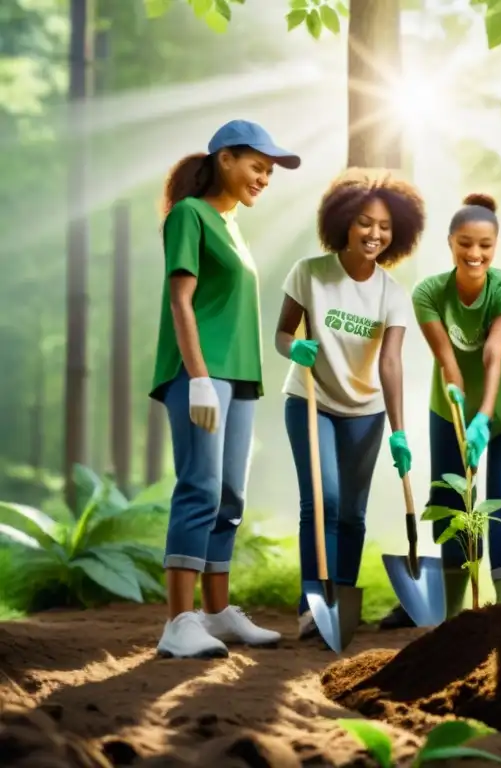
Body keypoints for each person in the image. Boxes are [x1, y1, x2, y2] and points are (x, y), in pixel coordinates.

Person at [149, 119, 301, 658]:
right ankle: (178, 622)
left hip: (237, 376)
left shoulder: (233, 224)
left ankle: (215, 615)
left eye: (270, 172)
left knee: (229, 497)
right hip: (201, 373)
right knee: (200, 488)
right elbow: (180, 302)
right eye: (258, 166)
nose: (264, 178)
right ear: (225, 160)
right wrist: (197, 380)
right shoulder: (189, 216)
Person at [378, 193, 501, 629]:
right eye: (465, 243)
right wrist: (461, 410)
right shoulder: (430, 292)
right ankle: (454, 614)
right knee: (452, 499)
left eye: (485, 245)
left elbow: (494, 352)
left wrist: (483, 418)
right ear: (450, 242)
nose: (475, 254)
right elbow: (448, 360)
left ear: (496, 245)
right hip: (449, 405)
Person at [275, 169, 424, 640]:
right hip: (311, 400)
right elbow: (283, 332)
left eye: (384, 227)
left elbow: (392, 363)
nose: (374, 234)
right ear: (343, 222)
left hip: (366, 413)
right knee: (323, 500)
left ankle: (340, 602)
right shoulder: (310, 273)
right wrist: (292, 348)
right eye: (365, 223)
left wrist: (398, 430)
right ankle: (311, 603)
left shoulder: (392, 294)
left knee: (353, 513)